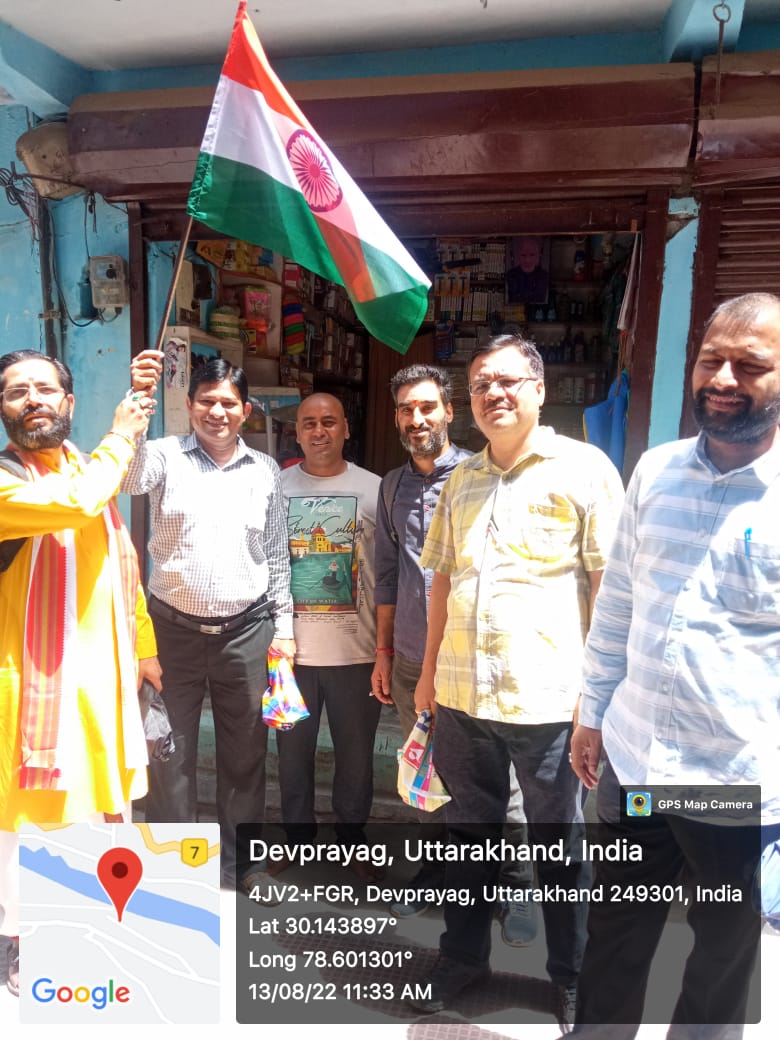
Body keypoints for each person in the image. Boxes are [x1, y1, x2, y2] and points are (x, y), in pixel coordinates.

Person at [568, 292, 780, 1040]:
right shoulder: (654, 472)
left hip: (731, 782)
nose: (723, 378)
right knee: (617, 932)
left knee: (721, 952)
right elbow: (618, 601)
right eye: (710, 361)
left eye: (749, 365)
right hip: (633, 762)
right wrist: (592, 713)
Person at [409, 334, 625, 1027]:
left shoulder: (584, 469)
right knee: (467, 839)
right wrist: (427, 679)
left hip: (549, 700)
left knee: (558, 844)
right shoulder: (462, 479)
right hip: (461, 695)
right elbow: (440, 580)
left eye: (507, 381)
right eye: (479, 385)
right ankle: (463, 956)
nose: (492, 393)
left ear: (538, 387)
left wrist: (597, 696)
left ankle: (570, 976)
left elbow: (610, 589)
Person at [0, 349, 159, 997]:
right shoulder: (15, 484)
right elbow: (76, 503)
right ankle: (24, 950)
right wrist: (122, 430)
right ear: (4, 411)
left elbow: (123, 570)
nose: (34, 399)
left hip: (104, 692)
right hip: (35, 695)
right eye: (17, 392)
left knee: (98, 820)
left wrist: (146, 652)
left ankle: (84, 936)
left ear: (68, 403)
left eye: (46, 389)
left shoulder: (84, 469)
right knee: (30, 831)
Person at [371, 362, 537, 946]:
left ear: (449, 411)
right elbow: (388, 575)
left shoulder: (478, 475)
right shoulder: (391, 487)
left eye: (427, 408)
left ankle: (517, 887)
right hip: (415, 657)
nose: (417, 420)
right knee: (423, 774)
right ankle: (441, 874)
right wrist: (386, 651)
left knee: (502, 786)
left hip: (470, 660)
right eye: (405, 410)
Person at [121, 352, 295, 893]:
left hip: (247, 633)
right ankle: (177, 868)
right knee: (167, 753)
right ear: (190, 406)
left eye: (227, 403)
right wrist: (136, 404)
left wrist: (284, 632)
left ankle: (244, 865)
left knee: (245, 753)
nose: (216, 412)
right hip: (171, 633)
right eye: (206, 401)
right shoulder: (164, 455)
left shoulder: (265, 469)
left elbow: (276, 554)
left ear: (246, 411)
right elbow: (125, 479)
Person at [276, 393, 381, 876]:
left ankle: (353, 843)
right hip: (289, 655)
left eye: (329, 422)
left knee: (355, 757)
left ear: (345, 430)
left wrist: (386, 647)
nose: (319, 432)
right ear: (296, 433)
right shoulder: (274, 488)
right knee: (291, 756)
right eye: (309, 424)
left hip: (356, 652)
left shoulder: (376, 490)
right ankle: (296, 839)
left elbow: (393, 573)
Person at [506, 236, 550, 306]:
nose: (527, 260)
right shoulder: (511, 275)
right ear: (518, 255)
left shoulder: (543, 276)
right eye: (523, 255)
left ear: (538, 255)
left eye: (532, 255)